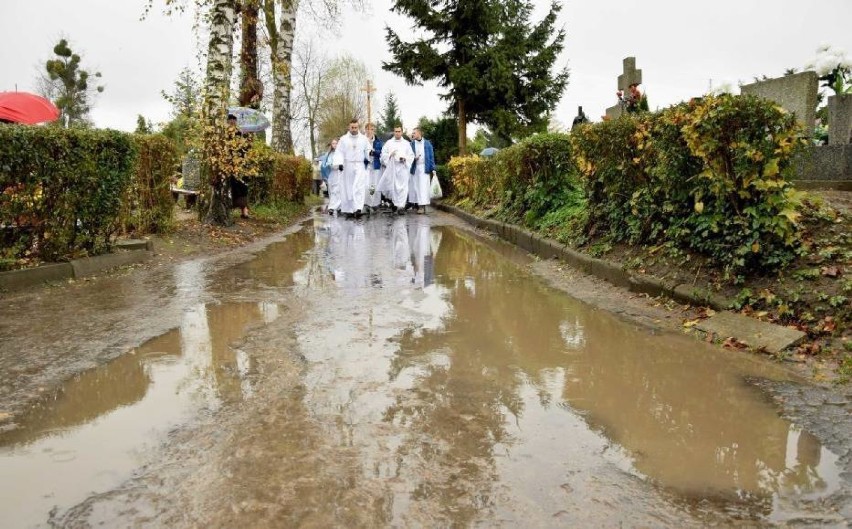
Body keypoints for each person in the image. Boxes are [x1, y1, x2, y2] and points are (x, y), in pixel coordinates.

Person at [332, 119, 371, 218]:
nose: (354, 129)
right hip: (348, 165)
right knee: (348, 187)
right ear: (349, 127)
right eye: (352, 127)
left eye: (356, 127)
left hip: (359, 165)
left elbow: (367, 149)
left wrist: (370, 153)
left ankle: (358, 208)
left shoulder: (363, 139)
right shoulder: (343, 139)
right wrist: (340, 163)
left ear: (358, 127)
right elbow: (339, 152)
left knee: (358, 186)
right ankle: (350, 209)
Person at [378, 125, 415, 213]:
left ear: (402, 132)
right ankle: (394, 203)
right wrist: (390, 155)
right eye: (396, 131)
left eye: (399, 131)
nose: (397, 133)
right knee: (394, 187)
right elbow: (383, 155)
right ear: (394, 132)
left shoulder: (406, 143)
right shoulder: (389, 143)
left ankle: (401, 206)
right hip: (393, 168)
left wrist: (405, 159)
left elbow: (411, 155)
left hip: (403, 168)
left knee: (403, 187)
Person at [226, 114, 251, 219]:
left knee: (243, 186)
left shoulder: (241, 133)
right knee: (232, 186)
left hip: (241, 164)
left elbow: (247, 148)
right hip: (229, 165)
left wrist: (248, 138)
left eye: (234, 120)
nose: (232, 122)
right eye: (230, 120)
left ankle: (244, 210)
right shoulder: (224, 133)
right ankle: (231, 209)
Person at [408, 127, 436, 214]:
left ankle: (422, 206)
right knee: (415, 187)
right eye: (412, 133)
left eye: (414, 133)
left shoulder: (427, 144)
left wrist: (433, 168)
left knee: (423, 187)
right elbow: (408, 155)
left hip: (424, 168)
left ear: (419, 133)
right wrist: (413, 158)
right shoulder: (411, 144)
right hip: (415, 167)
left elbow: (431, 156)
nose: (413, 134)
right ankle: (416, 204)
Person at [363, 122, 384, 212]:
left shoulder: (378, 141)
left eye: (371, 129)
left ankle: (374, 203)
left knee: (374, 185)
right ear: (365, 130)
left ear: (374, 130)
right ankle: (365, 203)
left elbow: (381, 153)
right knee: (366, 185)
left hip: (375, 166)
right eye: (368, 129)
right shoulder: (362, 140)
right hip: (366, 165)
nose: (369, 131)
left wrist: (374, 152)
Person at [321, 139, 339, 212]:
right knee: (331, 191)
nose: (335, 145)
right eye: (333, 143)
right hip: (331, 174)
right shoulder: (328, 154)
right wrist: (331, 165)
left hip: (339, 174)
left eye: (336, 143)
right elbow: (325, 164)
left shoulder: (341, 153)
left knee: (338, 190)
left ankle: (337, 207)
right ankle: (332, 205)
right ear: (331, 145)